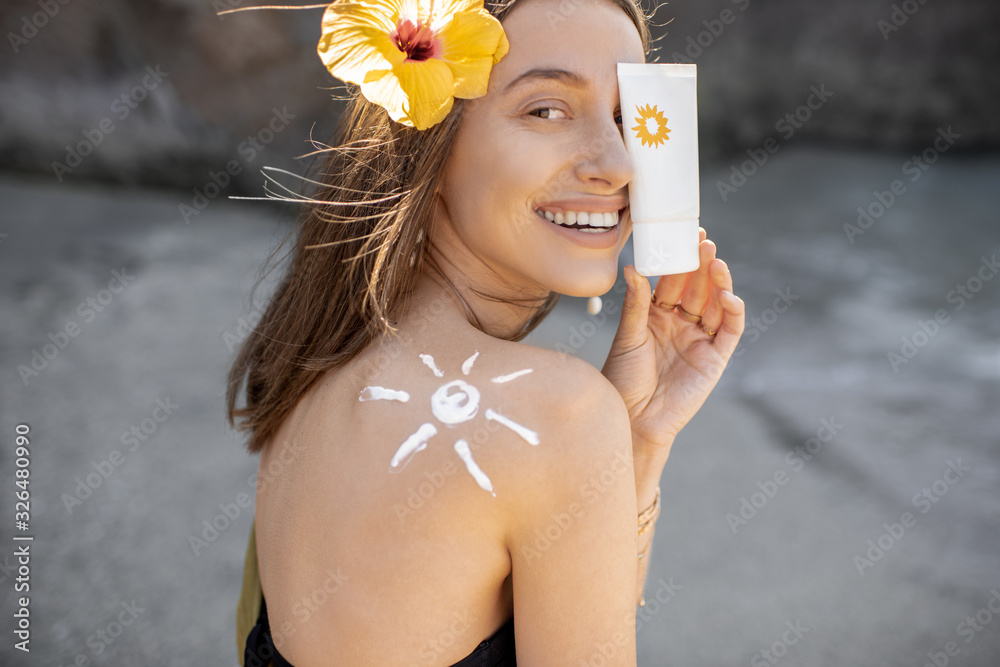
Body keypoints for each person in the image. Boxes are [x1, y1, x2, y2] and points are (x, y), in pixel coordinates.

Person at [226, 0, 745, 664]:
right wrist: (600, 442)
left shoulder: (316, 358)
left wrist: (637, 447)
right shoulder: (559, 416)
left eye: (626, 114)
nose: (618, 164)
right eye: (547, 109)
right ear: (429, 140)